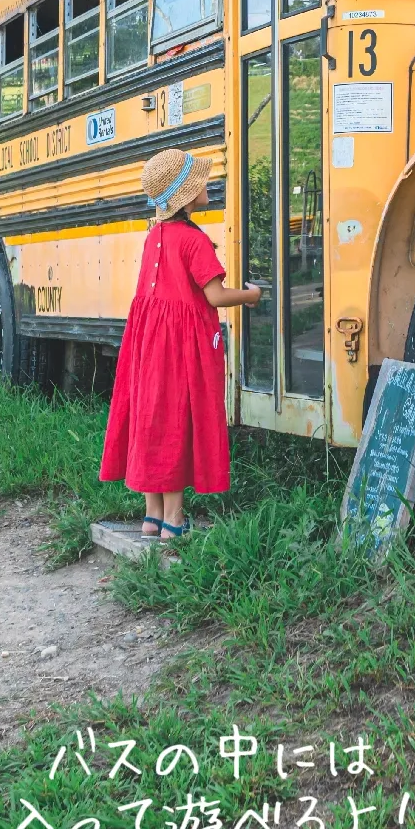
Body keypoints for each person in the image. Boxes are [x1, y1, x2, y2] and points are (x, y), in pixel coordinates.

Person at [99, 147, 261, 541]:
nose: (207, 185)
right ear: (187, 196)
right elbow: (215, 296)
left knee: (149, 416)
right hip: (180, 346)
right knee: (176, 419)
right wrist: (251, 295)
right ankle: (174, 518)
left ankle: (151, 516)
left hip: (147, 342)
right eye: (200, 182)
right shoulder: (194, 241)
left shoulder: (153, 236)